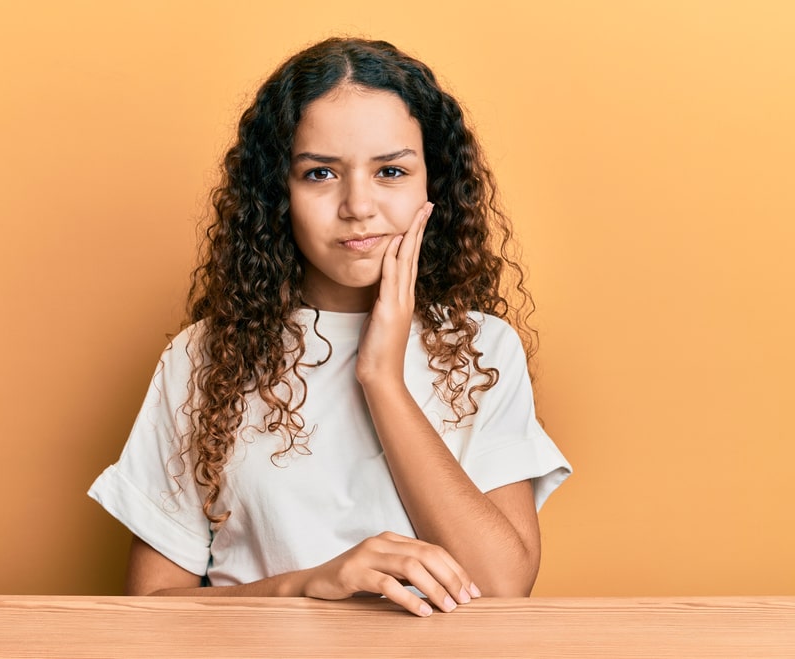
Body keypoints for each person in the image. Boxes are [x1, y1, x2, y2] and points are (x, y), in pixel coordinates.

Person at [88, 37, 571, 618]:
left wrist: (381, 377)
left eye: (390, 170)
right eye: (320, 173)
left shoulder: (481, 348)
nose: (358, 205)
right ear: (278, 194)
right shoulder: (203, 357)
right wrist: (310, 584)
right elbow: (152, 607)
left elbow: (502, 587)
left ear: (431, 185)